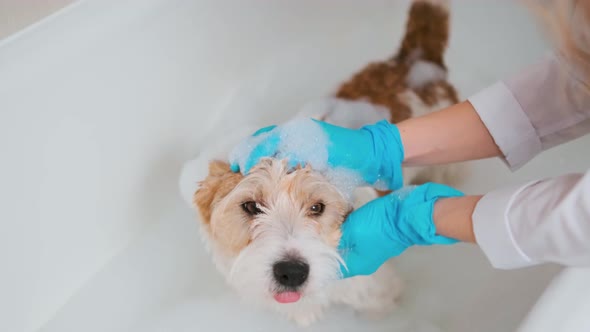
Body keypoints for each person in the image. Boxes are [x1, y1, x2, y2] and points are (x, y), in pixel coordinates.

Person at [229, 0, 590, 277]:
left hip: (419, 96)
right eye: (252, 208)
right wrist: (382, 146)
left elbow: (577, 222)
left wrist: (415, 219)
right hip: (392, 106)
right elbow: (578, 79)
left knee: (449, 176)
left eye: (316, 208)